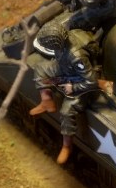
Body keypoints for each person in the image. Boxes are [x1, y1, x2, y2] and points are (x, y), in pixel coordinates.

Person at [29, 21, 99, 164]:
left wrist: (73, 88)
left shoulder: (77, 56)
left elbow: (92, 81)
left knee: (67, 110)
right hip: (66, 67)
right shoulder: (67, 38)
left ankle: (67, 146)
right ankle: (47, 101)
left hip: (79, 79)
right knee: (40, 68)